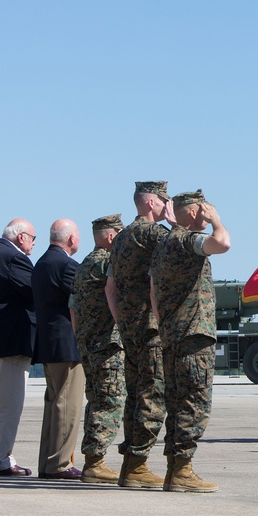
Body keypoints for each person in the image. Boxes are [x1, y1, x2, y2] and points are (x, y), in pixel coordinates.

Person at [150, 190, 230, 493]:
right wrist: (217, 222)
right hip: (193, 335)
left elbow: (153, 291)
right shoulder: (187, 240)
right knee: (193, 403)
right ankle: (182, 469)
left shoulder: (163, 245)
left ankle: (175, 469)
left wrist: (165, 325)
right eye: (203, 210)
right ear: (195, 212)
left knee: (176, 401)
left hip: (172, 334)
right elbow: (222, 243)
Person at [107, 181, 173, 487]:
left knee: (135, 395)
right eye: (163, 201)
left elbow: (109, 287)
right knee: (153, 394)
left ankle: (130, 464)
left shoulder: (120, 237)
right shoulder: (153, 233)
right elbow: (177, 254)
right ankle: (137, 464)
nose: (166, 206)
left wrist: (121, 320)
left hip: (130, 326)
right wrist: (175, 223)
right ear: (151, 202)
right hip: (149, 327)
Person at [0, 218, 37, 476]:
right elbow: (36, 290)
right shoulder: (12, 257)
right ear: (21, 237)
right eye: (33, 238)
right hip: (10, 342)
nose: (33, 244)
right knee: (8, 405)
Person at [71, 214, 127, 483]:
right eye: (120, 233)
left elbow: (73, 308)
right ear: (111, 236)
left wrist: (80, 336)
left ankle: (94, 459)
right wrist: (124, 329)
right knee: (110, 400)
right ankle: (95, 461)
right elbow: (113, 295)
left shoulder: (84, 265)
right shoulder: (108, 263)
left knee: (96, 399)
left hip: (89, 344)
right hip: (107, 344)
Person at [32, 219, 84, 479]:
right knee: (67, 405)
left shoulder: (41, 263)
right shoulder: (66, 265)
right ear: (72, 240)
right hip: (66, 345)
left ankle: (48, 462)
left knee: (54, 404)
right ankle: (60, 464)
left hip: (49, 344)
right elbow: (84, 300)